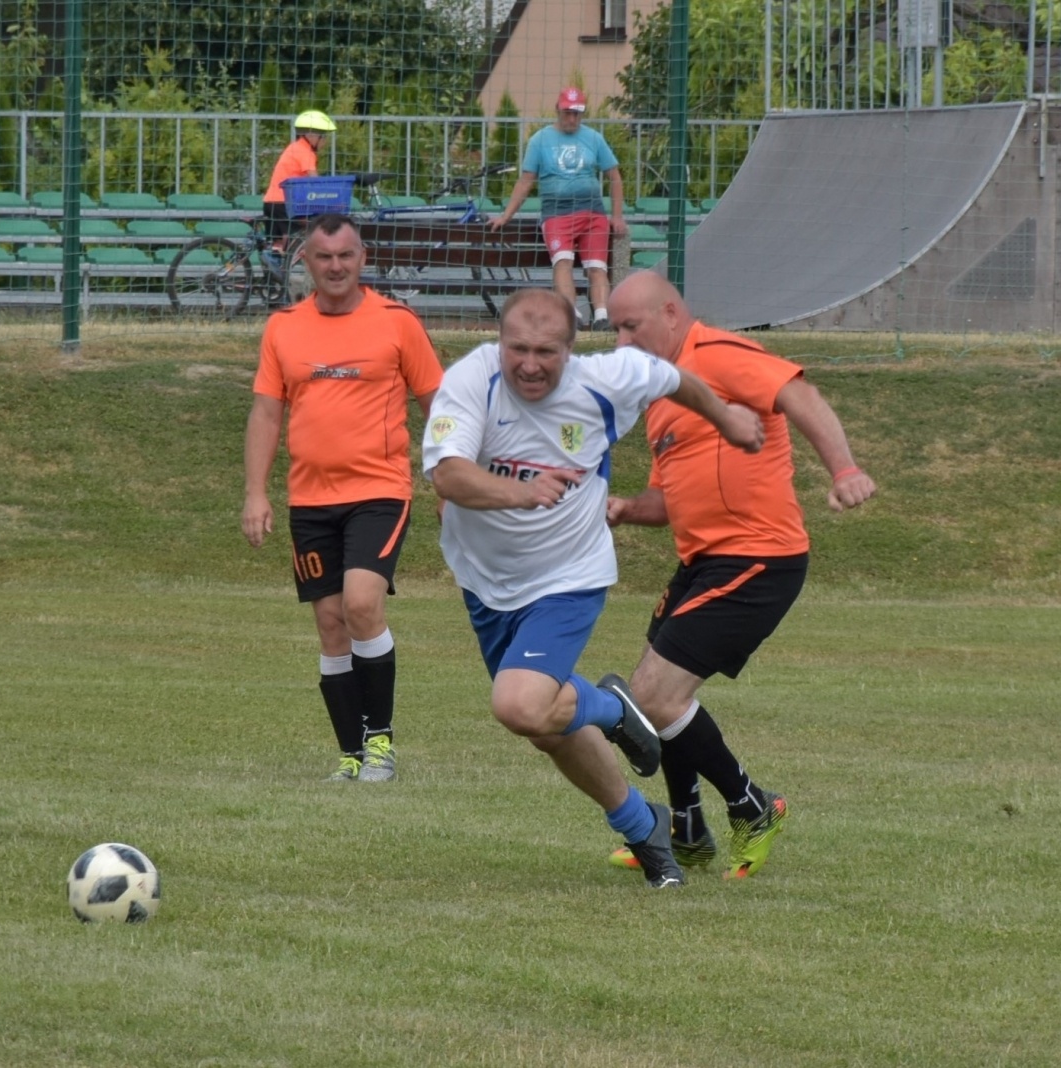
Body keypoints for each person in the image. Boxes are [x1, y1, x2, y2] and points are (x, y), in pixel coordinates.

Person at [422, 288, 766, 889]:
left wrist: (727, 416)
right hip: (485, 583)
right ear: (499, 342)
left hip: (567, 578)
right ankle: (644, 825)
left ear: (572, 351)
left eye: (546, 352)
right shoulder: (472, 378)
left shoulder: (606, 380)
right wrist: (522, 492)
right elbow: (448, 475)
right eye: (518, 349)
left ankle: (611, 709)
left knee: (520, 705)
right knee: (545, 729)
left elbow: (672, 377)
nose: (530, 364)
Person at [601, 270, 878, 879]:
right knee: (660, 698)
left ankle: (753, 805)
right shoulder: (662, 399)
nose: (621, 340)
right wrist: (623, 509)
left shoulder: (717, 354)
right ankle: (688, 829)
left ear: (671, 313)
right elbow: (667, 501)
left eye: (632, 325)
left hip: (758, 557)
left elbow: (799, 394)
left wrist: (843, 470)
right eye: (613, 328)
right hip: (703, 560)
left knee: (651, 695)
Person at [243, 214, 443, 783]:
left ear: (363, 258)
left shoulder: (397, 323)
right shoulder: (283, 328)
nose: (336, 267)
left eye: (346, 256)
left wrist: (450, 478)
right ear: (304, 261)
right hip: (310, 500)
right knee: (331, 623)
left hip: (379, 491)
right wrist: (256, 492)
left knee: (360, 604)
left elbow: (440, 403)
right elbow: (265, 412)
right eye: (324, 257)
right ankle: (350, 755)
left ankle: (381, 745)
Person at [488, 88, 626, 333]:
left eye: (576, 113)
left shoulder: (593, 138)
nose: (572, 118)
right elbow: (526, 180)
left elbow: (614, 176)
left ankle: (602, 317)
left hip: (592, 213)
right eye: (567, 113)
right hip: (556, 214)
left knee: (597, 267)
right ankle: (571, 316)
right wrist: (506, 215)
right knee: (562, 262)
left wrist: (616, 216)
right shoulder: (540, 140)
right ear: (557, 110)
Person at [263, 110, 336, 247]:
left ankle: (275, 262)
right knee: (298, 235)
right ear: (312, 135)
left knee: (277, 242)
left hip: (271, 201)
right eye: (323, 136)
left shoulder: (294, 147)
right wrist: (328, 194)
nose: (325, 141)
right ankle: (288, 263)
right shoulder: (306, 152)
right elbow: (313, 178)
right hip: (284, 202)